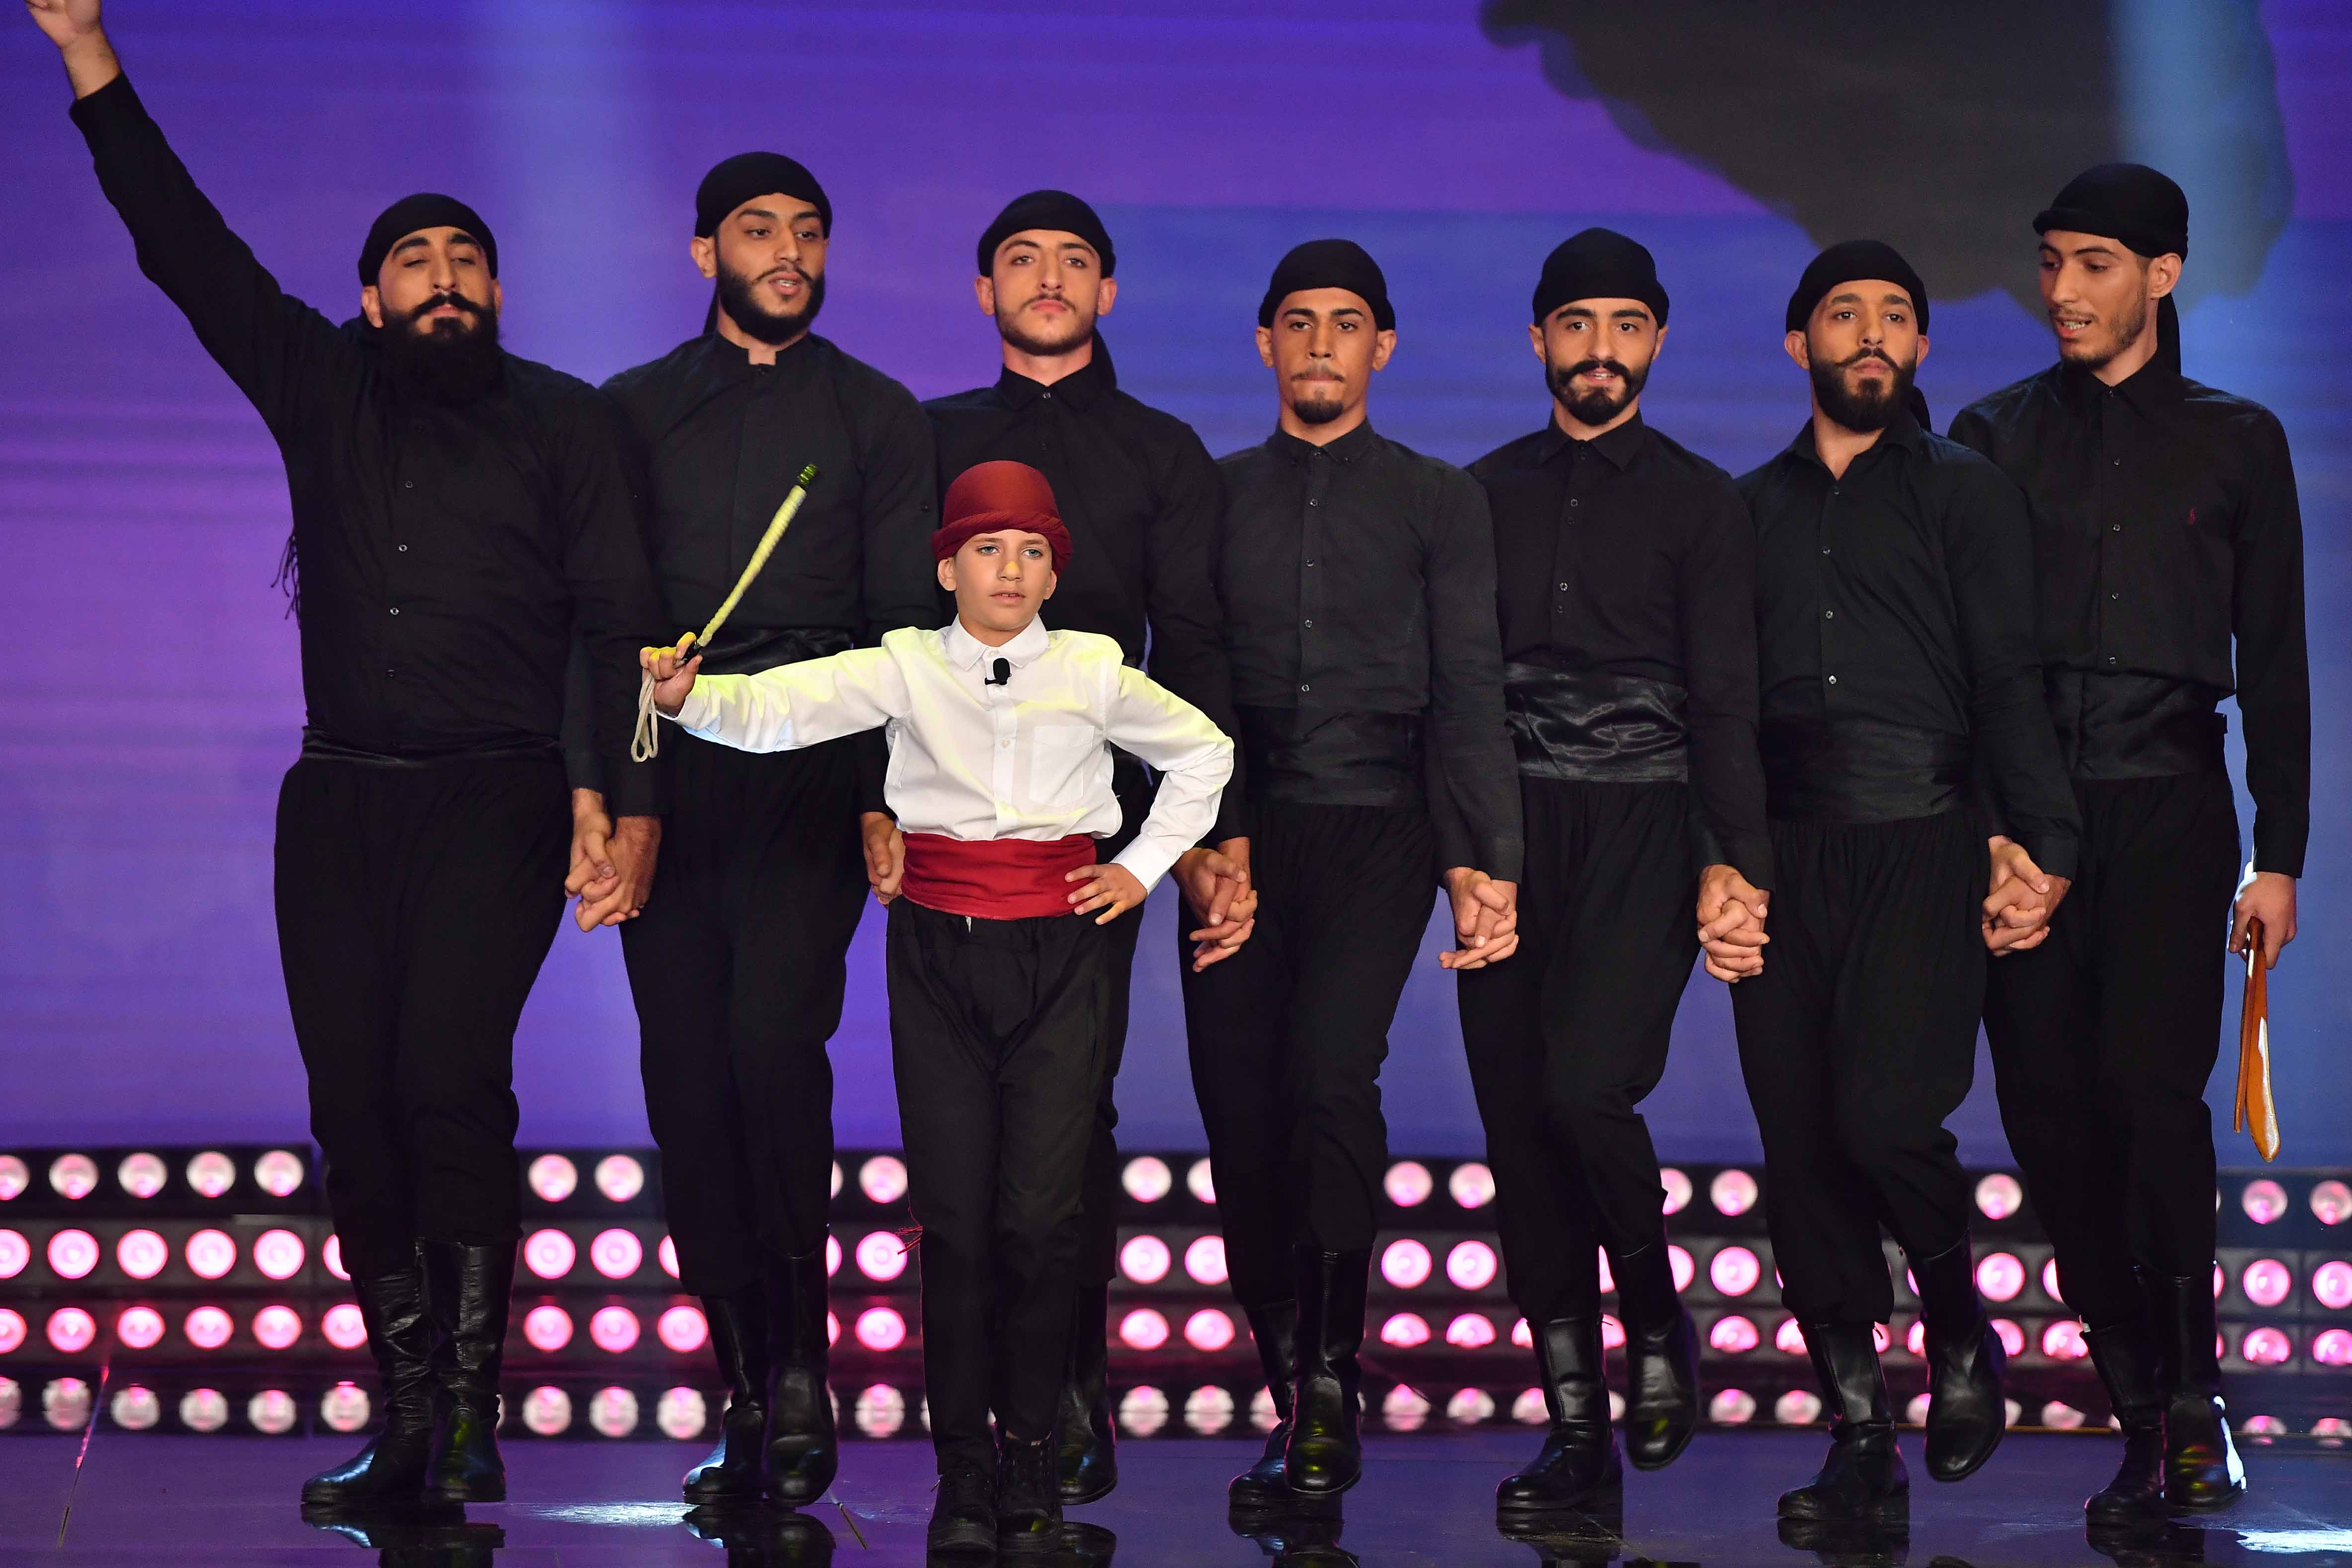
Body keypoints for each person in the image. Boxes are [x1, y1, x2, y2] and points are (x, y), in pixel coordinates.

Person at [26, 0, 666, 1512]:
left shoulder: (565, 423)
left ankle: (469, 1416)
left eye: (466, 260)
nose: (444, 278)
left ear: (497, 289)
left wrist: (626, 805)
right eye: (414, 262)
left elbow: (626, 624)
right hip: (338, 803)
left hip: (499, 794)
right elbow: (183, 244)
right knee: (353, 1108)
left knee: (448, 1079)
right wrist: (84, 53)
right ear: (371, 299)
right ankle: (408, 1414)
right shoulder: (320, 385)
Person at [640, 461, 1232, 1558]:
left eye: (1034, 551)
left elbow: (1205, 751)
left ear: (1055, 571)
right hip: (938, 955)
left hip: (1062, 955)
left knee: (1041, 1222)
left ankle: (1031, 1462)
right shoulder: (906, 664)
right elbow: (782, 709)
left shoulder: (1094, 668)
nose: (1011, 570)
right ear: (948, 567)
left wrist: (1142, 866)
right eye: (988, 549)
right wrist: (689, 702)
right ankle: (963, 1471)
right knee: (954, 1224)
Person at [564, 152, 939, 1507]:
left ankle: (798, 1371)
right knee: (685, 1075)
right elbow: (599, 620)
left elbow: (904, 631)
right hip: (667, 769)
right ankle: (739, 1373)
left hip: (810, 762)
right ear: (704, 252)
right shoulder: (630, 412)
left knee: (774, 1048)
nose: (787, 250)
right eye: (758, 229)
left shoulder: (878, 414)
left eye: (808, 231)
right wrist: (604, 793)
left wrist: (884, 793)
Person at [1951, 165, 2307, 1519]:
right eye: (2049, 260)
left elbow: (2274, 661)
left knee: (2152, 1102)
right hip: (2028, 820)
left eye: (2092, 262)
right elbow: (1966, 661)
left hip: (2168, 804)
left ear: (2161, 274)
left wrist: (2278, 854)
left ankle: (2191, 1402)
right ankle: (2135, 1396)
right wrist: (1995, 835)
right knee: (2048, 1117)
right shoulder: (1988, 436)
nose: (2061, 289)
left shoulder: (2238, 441)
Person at [1734, 242, 2081, 1522]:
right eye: (1845, 314)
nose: (1871, 333)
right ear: (1800, 345)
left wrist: (2042, 842)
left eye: (1896, 316)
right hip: (1783, 851)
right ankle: (1858, 1432)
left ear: (1923, 347)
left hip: (1924, 841)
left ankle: (1959, 1330)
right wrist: (1719, 859)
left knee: (1885, 1121)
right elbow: (1719, 706)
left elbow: (2006, 682)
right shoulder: (1744, 510)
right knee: (1800, 1152)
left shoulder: (1967, 494)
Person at [921, 190, 1252, 1504]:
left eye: (1073, 261)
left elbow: (1199, 645)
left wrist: (1212, 835)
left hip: (1092, 831)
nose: (1048, 278)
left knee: (1073, 1119)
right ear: (983, 290)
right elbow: (887, 633)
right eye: (1022, 259)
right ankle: (973, 1427)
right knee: (963, 1141)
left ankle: (1066, 1385)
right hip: (947, 829)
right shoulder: (929, 437)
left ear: (1108, 291)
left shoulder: (1161, 451)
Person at [1186, 240, 1523, 1509]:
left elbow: (1468, 688)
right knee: (1240, 1112)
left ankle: (1329, 1394)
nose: (1320, 342)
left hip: (1381, 826)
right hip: (1238, 832)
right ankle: (1292, 1392)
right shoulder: (1212, 496)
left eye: (1345, 323)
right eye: (1297, 322)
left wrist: (1482, 857)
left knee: (1331, 1079)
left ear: (1382, 347)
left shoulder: (1440, 500)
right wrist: (1206, 842)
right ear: (1264, 344)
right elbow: (1186, 680)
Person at [1458, 230, 1772, 1517]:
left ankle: (1653, 1314)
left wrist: (1731, 861)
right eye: (1577, 324)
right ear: (1539, 337)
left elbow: (1728, 698)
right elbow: (1454, 693)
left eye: (1626, 325)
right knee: (1519, 1129)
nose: (1601, 349)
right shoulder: (1475, 494)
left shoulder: (1704, 501)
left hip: (1647, 820)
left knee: (1586, 1087)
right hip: (1509, 831)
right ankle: (1575, 1428)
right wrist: (1465, 852)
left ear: (1656, 341)